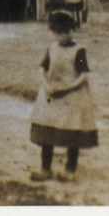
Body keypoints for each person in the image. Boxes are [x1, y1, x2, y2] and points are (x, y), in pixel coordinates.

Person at [29, 11, 97, 182]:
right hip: (52, 94)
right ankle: (45, 168)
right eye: (58, 32)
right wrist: (46, 85)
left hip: (72, 95)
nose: (63, 35)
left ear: (72, 30)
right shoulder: (51, 49)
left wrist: (68, 88)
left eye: (66, 31)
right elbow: (42, 68)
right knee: (47, 131)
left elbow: (83, 75)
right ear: (53, 32)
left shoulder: (78, 50)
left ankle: (70, 170)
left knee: (72, 132)